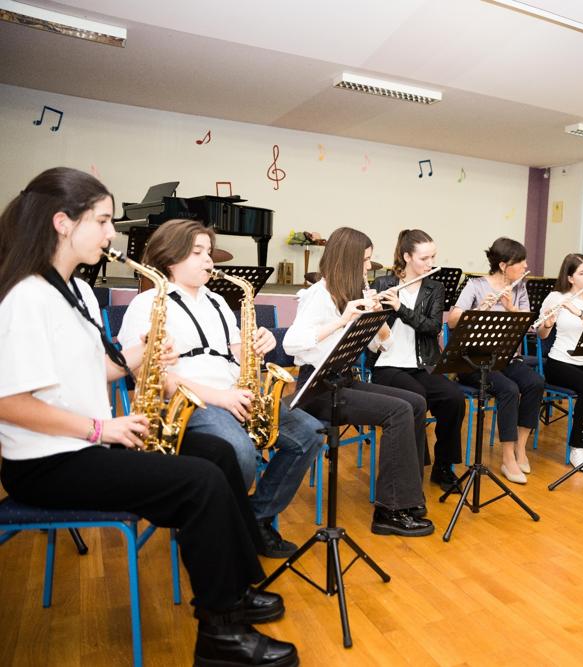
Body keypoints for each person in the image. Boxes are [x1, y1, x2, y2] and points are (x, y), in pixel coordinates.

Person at [0, 168, 296, 666]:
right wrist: (103, 428)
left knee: (219, 455)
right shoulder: (26, 296)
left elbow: (94, 369)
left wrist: (140, 355)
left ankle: (238, 588)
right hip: (47, 461)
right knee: (199, 482)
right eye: (102, 221)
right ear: (62, 222)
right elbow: (8, 402)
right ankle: (221, 633)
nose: (112, 234)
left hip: (86, 444)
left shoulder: (77, 292)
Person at [119, 219, 325, 558]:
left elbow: (240, 356)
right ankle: (222, 528)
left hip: (235, 393)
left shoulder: (216, 301)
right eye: (197, 252)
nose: (208, 259)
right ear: (170, 257)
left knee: (309, 433)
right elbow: (153, 378)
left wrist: (260, 345)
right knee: (238, 451)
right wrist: (222, 398)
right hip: (190, 401)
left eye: (209, 251)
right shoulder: (148, 303)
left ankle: (254, 519)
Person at [283, 227, 434, 536]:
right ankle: (390, 511)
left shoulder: (351, 294)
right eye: (365, 260)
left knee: (417, 402)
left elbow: (383, 346)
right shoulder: (318, 295)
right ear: (349, 260)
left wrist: (378, 319)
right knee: (398, 411)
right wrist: (342, 321)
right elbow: (291, 344)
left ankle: (407, 493)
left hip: (343, 381)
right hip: (317, 389)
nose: (369, 266)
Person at [370, 229, 466, 483]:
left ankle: (443, 466)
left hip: (423, 364)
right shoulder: (383, 284)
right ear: (407, 257)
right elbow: (373, 330)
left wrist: (400, 308)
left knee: (454, 398)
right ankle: (413, 469)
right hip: (388, 365)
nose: (430, 263)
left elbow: (432, 327)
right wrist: (378, 308)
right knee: (417, 398)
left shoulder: (435, 288)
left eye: (433, 257)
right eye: (424, 258)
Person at [448, 237, 543, 483]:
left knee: (535, 383)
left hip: (506, 358)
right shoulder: (475, 285)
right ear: (503, 265)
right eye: (520, 262)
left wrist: (511, 308)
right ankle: (507, 457)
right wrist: (478, 309)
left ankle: (520, 448)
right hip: (474, 361)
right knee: (508, 389)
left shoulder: (519, 288)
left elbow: (529, 325)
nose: (525, 266)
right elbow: (452, 321)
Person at [536, 253, 583, 474]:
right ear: (570, 278)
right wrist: (547, 324)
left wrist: (579, 313)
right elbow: (541, 335)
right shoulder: (556, 297)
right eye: (582, 272)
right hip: (559, 361)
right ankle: (578, 448)